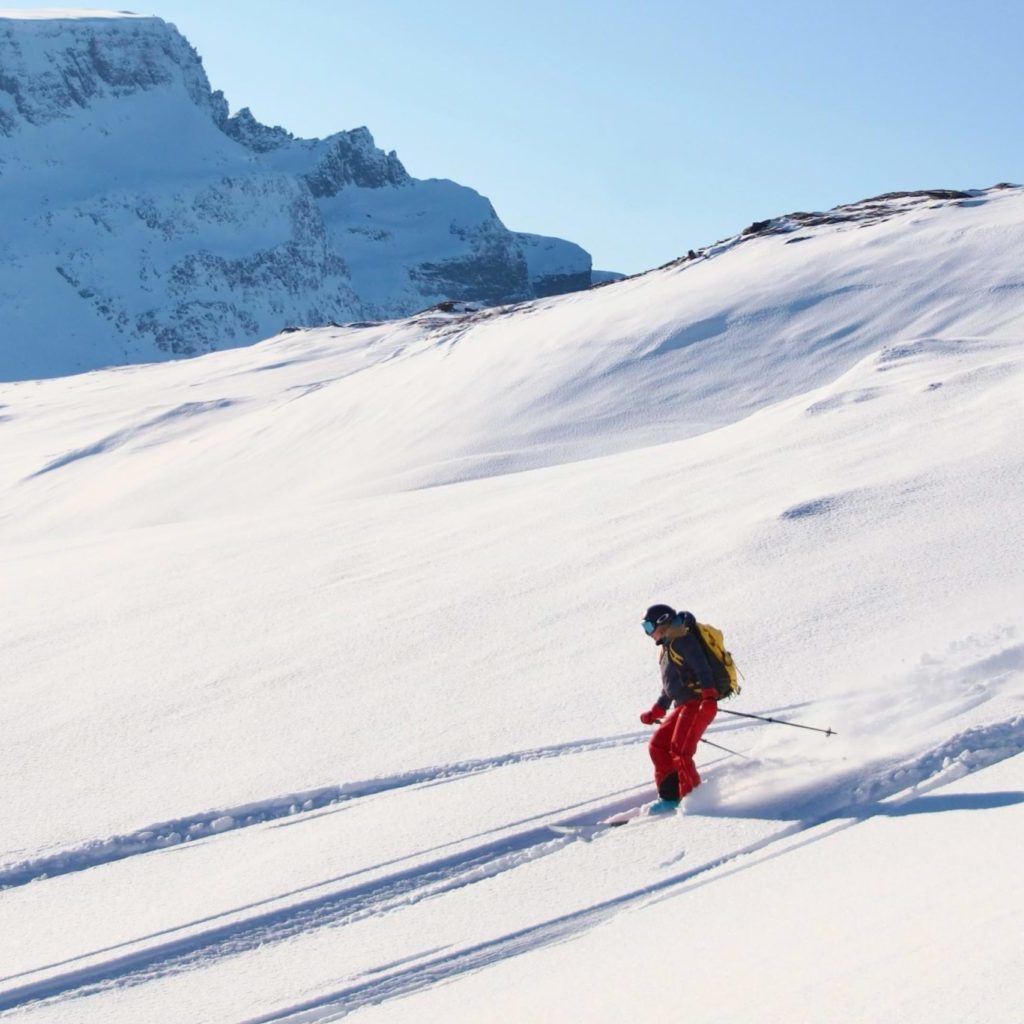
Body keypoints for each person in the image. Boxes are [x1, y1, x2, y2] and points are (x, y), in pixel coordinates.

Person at [639, 604, 719, 809]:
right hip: (683, 705)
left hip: (699, 703)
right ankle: (670, 797)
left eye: (649, 627)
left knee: (680, 751)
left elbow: (703, 668)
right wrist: (658, 708)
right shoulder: (668, 646)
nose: (648, 634)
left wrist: (709, 697)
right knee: (658, 745)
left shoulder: (683, 639)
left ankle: (694, 801)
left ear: (662, 622)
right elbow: (671, 686)